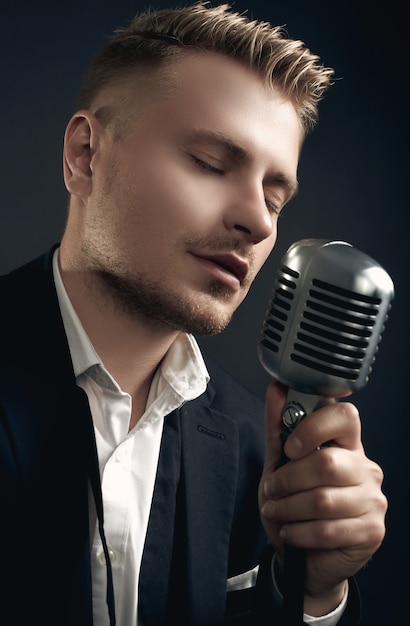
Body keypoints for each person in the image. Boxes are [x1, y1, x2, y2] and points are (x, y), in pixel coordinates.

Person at [0, 2, 387, 625]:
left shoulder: (260, 456)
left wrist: (314, 595)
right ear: (84, 156)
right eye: (211, 164)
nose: (259, 223)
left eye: (274, 195)